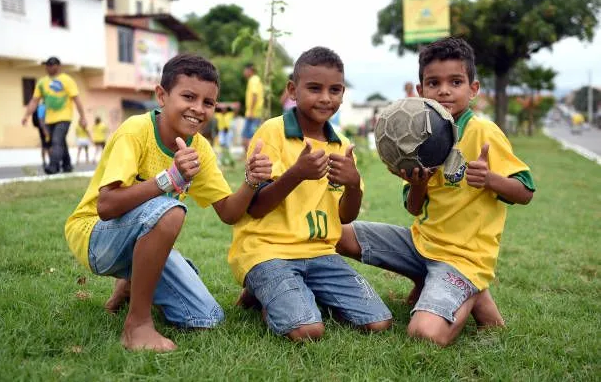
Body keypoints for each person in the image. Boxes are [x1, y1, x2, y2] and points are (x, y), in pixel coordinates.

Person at [64, 54, 272, 352]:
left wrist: (252, 181)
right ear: (161, 95)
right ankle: (136, 325)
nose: (198, 109)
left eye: (208, 102)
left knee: (206, 317)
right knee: (170, 211)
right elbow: (106, 206)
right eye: (188, 96)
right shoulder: (136, 131)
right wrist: (169, 179)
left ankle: (131, 283)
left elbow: (228, 212)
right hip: (96, 236)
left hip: (137, 234)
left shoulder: (199, 148)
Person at [337, 37, 535, 347]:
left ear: (473, 88)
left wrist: (490, 179)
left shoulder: (484, 132)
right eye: (433, 83)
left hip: (462, 257)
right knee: (334, 232)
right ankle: (431, 281)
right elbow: (415, 209)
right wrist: (418, 185)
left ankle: (472, 290)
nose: (444, 90)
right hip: (420, 243)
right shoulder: (416, 134)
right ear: (420, 92)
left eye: (455, 81)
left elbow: (525, 191)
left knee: (424, 334)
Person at [229, 47, 393, 342]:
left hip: (320, 254)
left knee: (378, 322)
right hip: (268, 251)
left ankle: (284, 292)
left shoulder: (341, 144)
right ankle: (269, 291)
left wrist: (353, 183)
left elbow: (346, 216)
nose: (326, 98)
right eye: (314, 88)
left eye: (335, 90)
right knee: (307, 330)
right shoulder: (273, 132)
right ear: (293, 90)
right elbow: (255, 208)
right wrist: (296, 173)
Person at [22, 57, 88, 174]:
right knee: (60, 141)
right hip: (49, 119)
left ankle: (53, 166)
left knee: (56, 141)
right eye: (47, 65)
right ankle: (67, 165)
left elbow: (77, 99)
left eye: (51, 65)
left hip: (64, 117)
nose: (49, 67)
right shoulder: (42, 82)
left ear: (58, 66)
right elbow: (34, 100)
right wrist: (26, 115)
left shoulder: (67, 80)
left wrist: (83, 117)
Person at [241, 63, 264, 152]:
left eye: (245, 70)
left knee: (249, 137)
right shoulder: (256, 80)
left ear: (250, 70)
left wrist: (250, 110)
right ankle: (248, 158)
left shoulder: (253, 80)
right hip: (254, 113)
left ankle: (249, 158)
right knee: (247, 136)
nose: (244, 72)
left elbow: (255, 95)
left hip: (253, 114)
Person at [32, 101, 50, 167]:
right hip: (44, 128)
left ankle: (46, 161)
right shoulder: (43, 107)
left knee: (45, 145)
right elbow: (40, 119)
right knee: (46, 145)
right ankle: (45, 161)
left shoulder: (42, 106)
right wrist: (44, 129)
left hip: (43, 128)